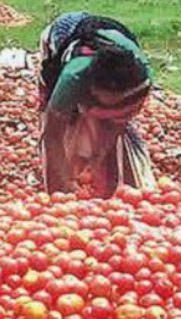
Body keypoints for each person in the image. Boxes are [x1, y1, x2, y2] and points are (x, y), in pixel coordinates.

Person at [38, 12, 157, 198]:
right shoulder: (73, 77)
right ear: (90, 88)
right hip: (63, 34)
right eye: (101, 101)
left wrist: (100, 153)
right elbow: (52, 134)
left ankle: (114, 190)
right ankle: (55, 192)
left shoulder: (141, 80)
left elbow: (118, 124)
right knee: (67, 125)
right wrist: (62, 190)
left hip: (111, 34)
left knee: (108, 135)